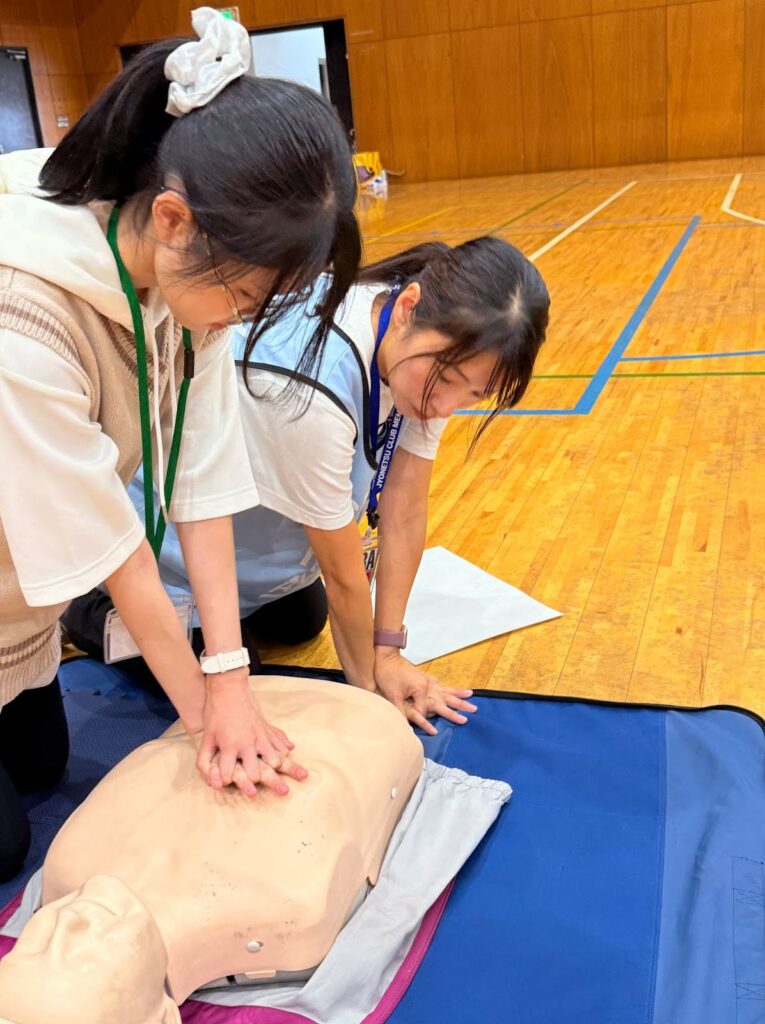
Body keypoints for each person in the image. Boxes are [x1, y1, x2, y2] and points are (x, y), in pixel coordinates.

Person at [0, 6, 361, 883]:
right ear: (171, 218)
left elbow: (200, 484)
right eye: (245, 299)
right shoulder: (23, 317)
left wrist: (228, 674)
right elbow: (114, 547)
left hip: (23, 590)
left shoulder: (181, 273)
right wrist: (206, 715)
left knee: (42, 765)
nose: (243, 321)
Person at [65, 236, 549, 734]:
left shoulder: (427, 346)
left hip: (242, 540)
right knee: (236, 666)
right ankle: (86, 607)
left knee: (302, 617)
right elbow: (343, 578)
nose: (447, 405)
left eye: (473, 394)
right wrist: (373, 699)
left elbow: (403, 509)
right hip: (156, 552)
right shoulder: (310, 391)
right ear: (407, 308)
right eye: (449, 382)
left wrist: (389, 648)